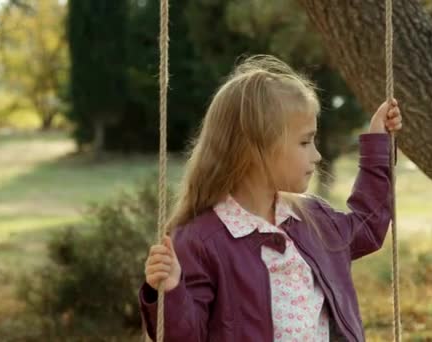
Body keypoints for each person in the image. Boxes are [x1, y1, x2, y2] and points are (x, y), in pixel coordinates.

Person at [139, 54, 402, 341]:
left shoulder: (311, 219)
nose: (317, 155)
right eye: (304, 141)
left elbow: (368, 225)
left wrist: (377, 141)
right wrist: (172, 289)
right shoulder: (201, 241)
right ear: (254, 148)